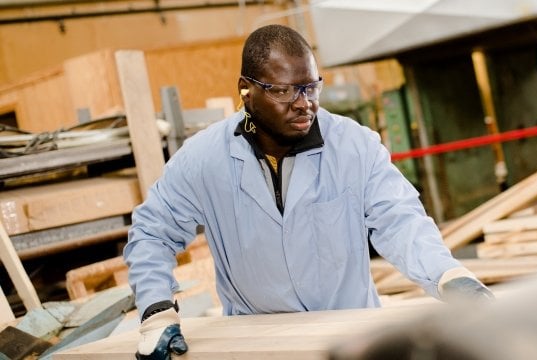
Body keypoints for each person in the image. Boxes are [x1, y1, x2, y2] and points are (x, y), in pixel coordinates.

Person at [124, 24, 493, 359]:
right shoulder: (205, 159)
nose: (304, 103)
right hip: (255, 346)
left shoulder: (354, 146)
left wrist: (447, 276)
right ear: (246, 90)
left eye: (311, 86)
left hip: (350, 337)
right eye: (284, 91)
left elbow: (401, 221)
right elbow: (153, 230)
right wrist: (156, 308)